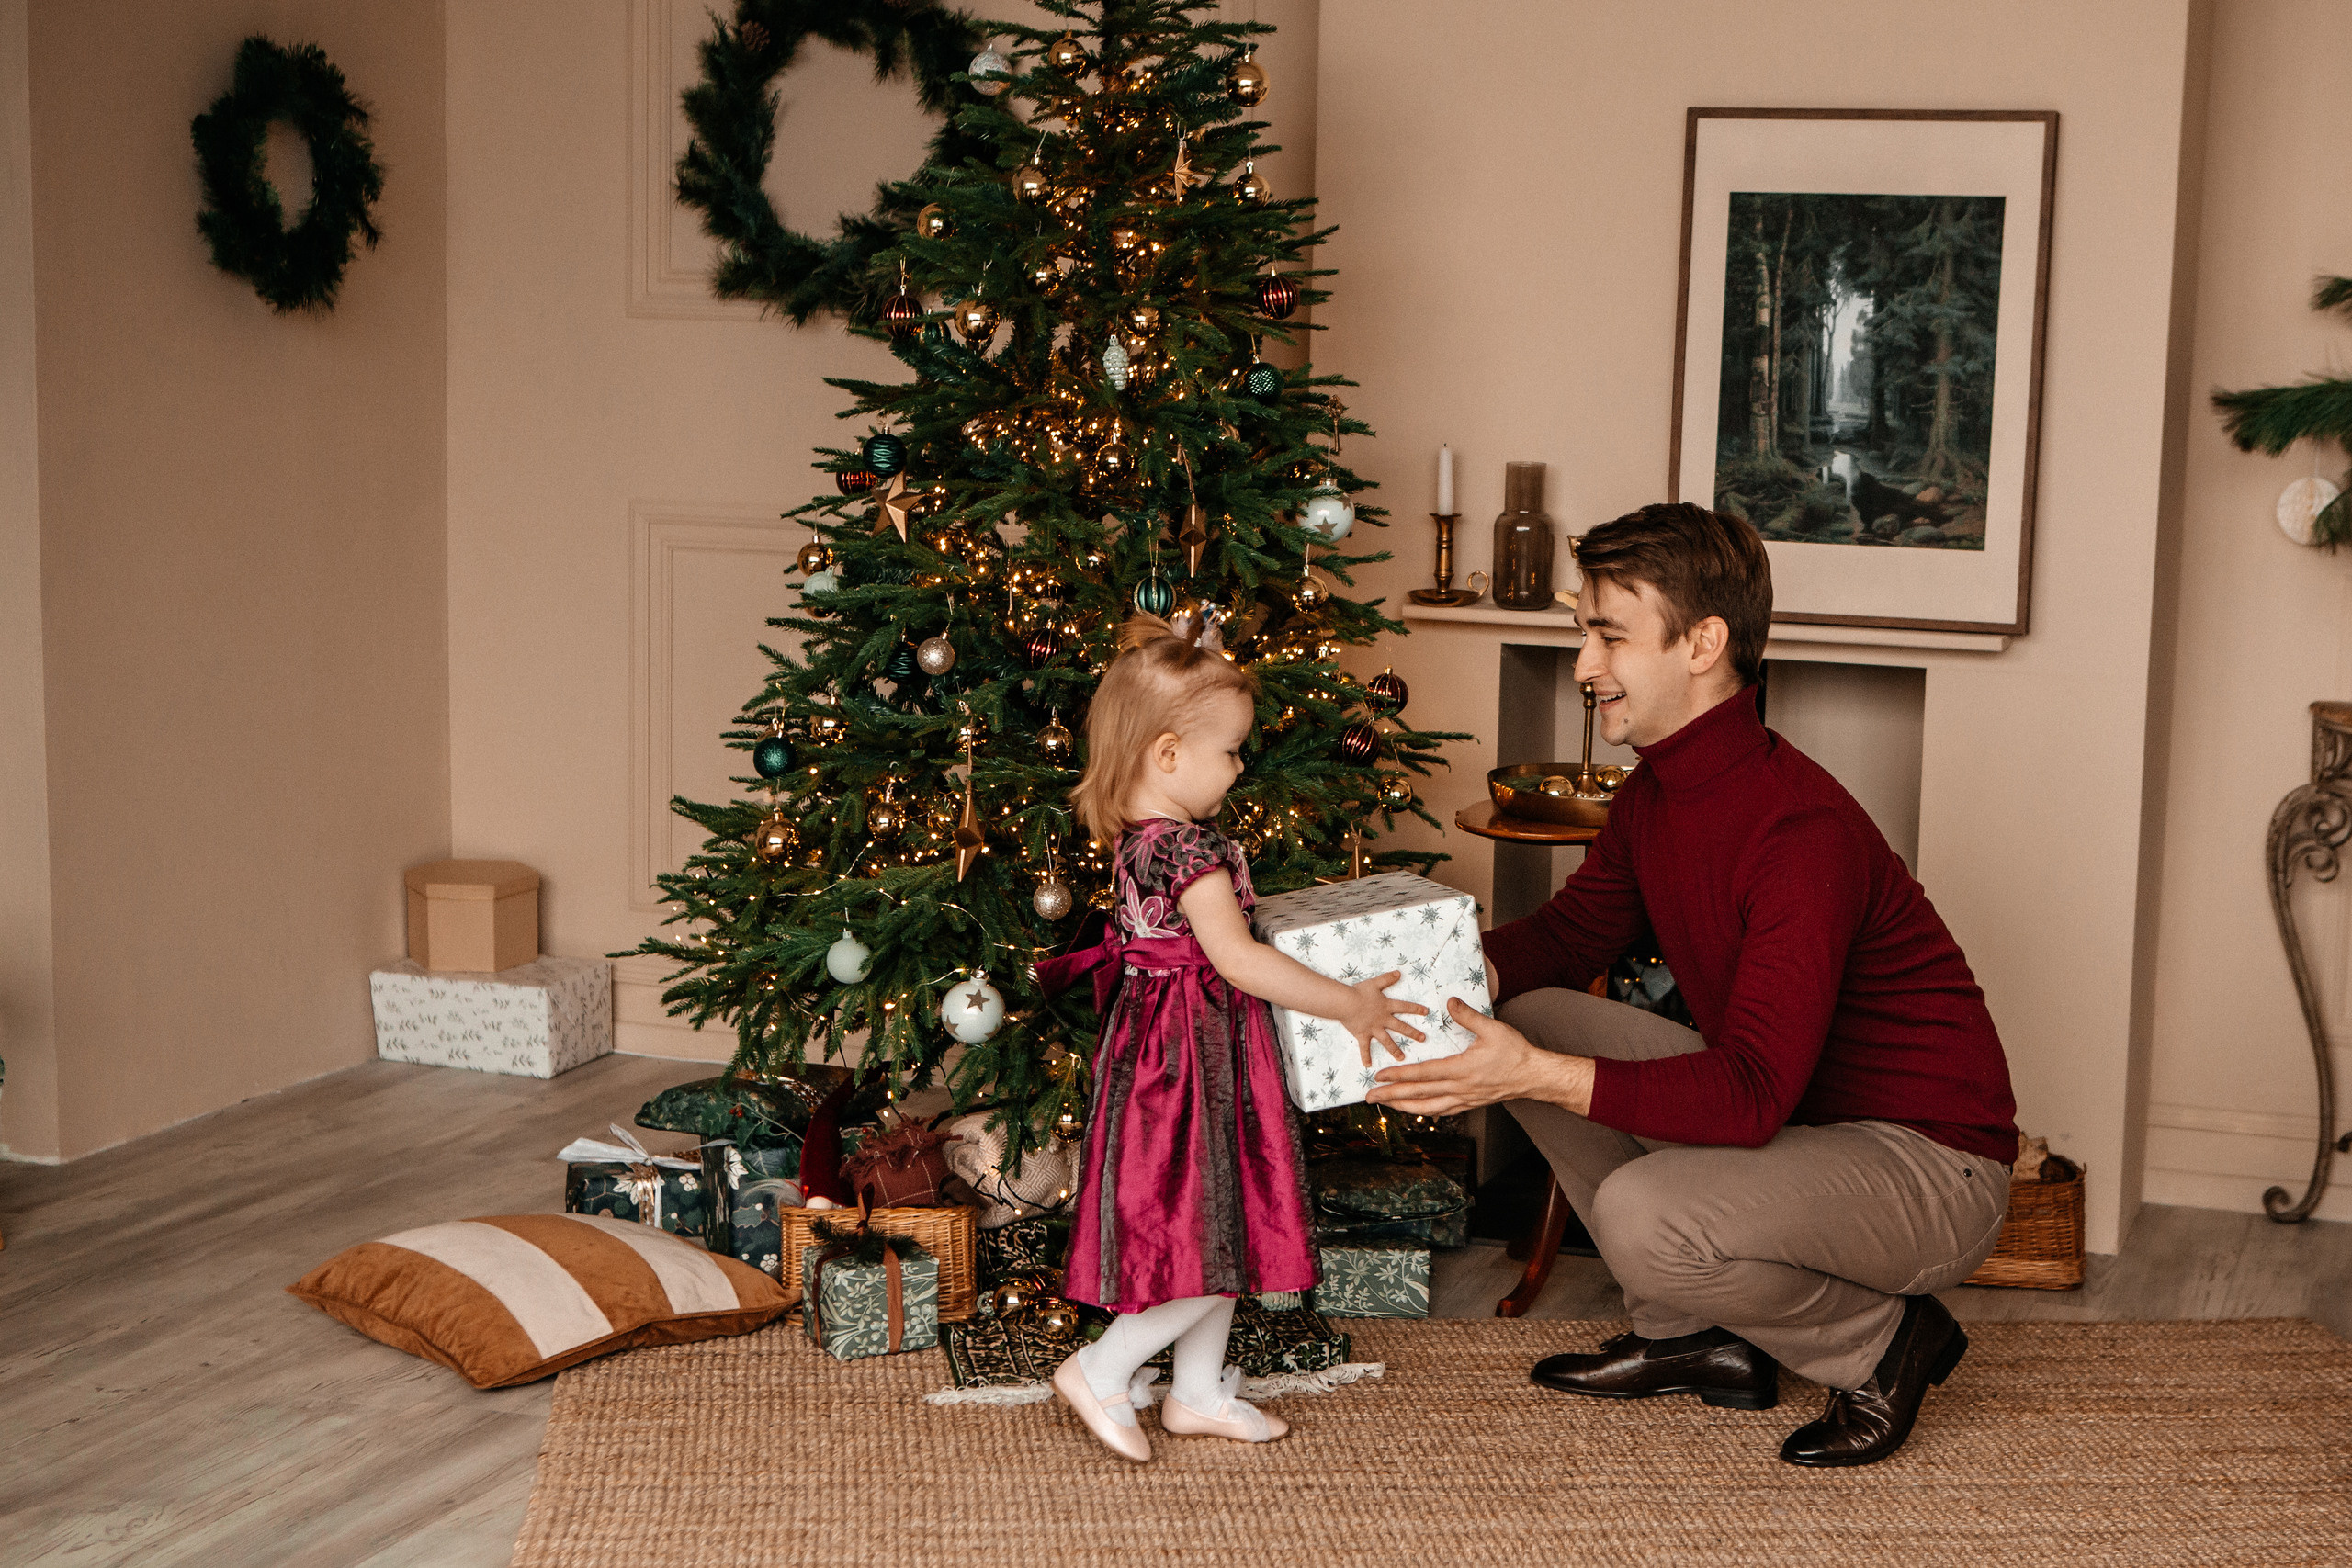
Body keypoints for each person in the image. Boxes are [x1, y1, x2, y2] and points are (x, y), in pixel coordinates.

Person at [1366, 502, 2018, 1469]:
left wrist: (1531, 1077)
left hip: (1929, 1169)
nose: (1585, 667)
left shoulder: (1798, 834)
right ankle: (1690, 1338)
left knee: (1641, 1206)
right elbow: (1567, 934)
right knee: (1528, 1011)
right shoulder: (1663, 794)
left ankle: (1883, 1346)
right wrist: (1424, 986)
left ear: (1702, 643)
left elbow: (1753, 1094)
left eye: (1608, 636)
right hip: (1813, 1125)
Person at [1037, 610, 1428, 1463]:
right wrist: (1350, 1004)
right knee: (1215, 1236)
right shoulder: (1191, 852)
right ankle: (1104, 1368)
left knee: (1219, 1224)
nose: (1241, 766)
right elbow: (1239, 960)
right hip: (1193, 1054)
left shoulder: (1137, 836)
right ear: (1168, 753)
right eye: (1231, 750)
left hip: (1166, 1044)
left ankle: (1199, 1390)